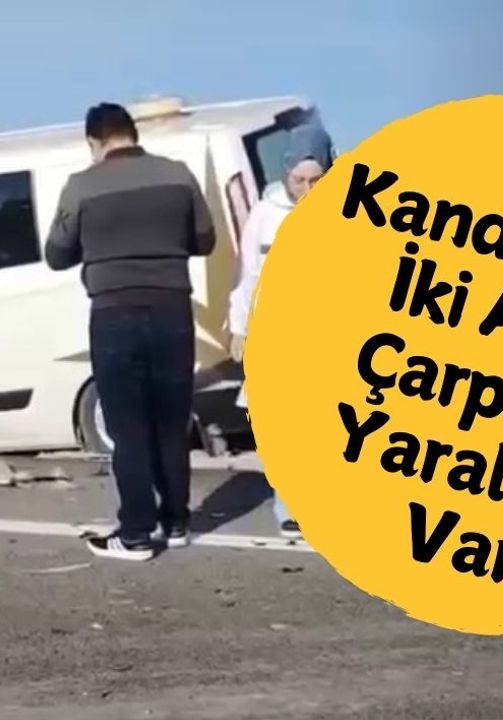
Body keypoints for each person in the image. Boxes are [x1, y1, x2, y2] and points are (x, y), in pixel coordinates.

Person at [45, 102, 216, 562]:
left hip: (114, 313)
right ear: (133, 133)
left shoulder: (81, 185)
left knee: (129, 426)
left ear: (93, 141)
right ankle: (176, 522)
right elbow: (205, 239)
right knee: (170, 421)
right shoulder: (178, 175)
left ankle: (137, 532)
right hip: (172, 310)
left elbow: (57, 253)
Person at [228, 124, 333, 539]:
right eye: (299, 180)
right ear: (286, 174)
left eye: (316, 180)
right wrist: (239, 328)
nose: (307, 189)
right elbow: (246, 275)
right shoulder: (264, 214)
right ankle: (290, 507)